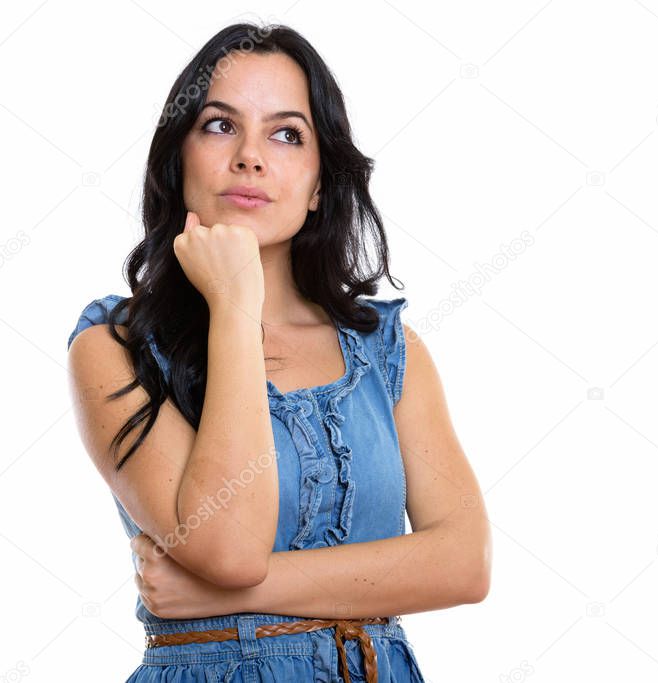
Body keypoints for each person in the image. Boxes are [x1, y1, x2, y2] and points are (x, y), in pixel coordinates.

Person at [66, 23, 491, 683]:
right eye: (218, 125)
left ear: (320, 184)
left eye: (287, 134)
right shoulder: (111, 346)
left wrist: (225, 595)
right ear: (178, 160)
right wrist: (235, 307)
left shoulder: (387, 351)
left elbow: (463, 563)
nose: (250, 157)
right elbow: (230, 548)